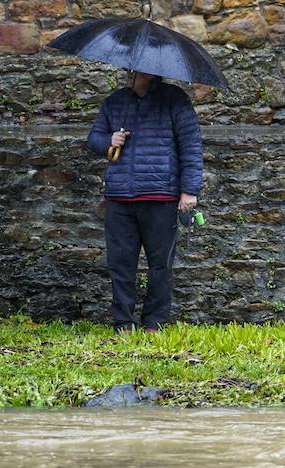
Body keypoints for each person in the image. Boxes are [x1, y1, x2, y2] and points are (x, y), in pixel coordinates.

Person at [87, 71, 203, 333]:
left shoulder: (175, 100)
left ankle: (154, 321)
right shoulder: (115, 101)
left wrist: (189, 192)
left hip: (160, 196)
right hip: (119, 197)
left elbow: (191, 147)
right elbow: (94, 139)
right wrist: (109, 140)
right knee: (120, 262)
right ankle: (123, 322)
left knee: (160, 264)